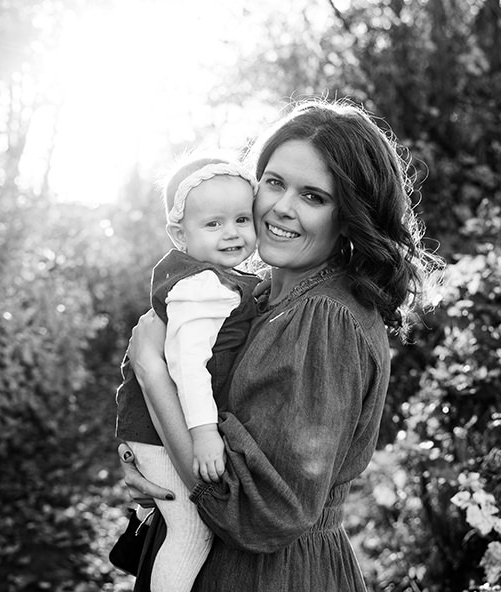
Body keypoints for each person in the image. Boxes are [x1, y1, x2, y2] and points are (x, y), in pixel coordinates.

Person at [118, 98, 442, 592]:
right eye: (273, 182)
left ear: (349, 214)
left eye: (313, 196)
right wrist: (152, 464)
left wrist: (151, 372)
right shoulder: (260, 295)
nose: (281, 208)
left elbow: (256, 512)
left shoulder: (323, 320)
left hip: (269, 577)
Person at [114, 155, 260, 592]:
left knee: (180, 523)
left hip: (155, 426)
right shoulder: (201, 286)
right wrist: (203, 434)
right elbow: (187, 366)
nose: (232, 232)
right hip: (164, 429)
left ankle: (146, 518)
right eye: (213, 224)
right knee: (192, 531)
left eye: (241, 218)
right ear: (180, 235)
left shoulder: (217, 277)